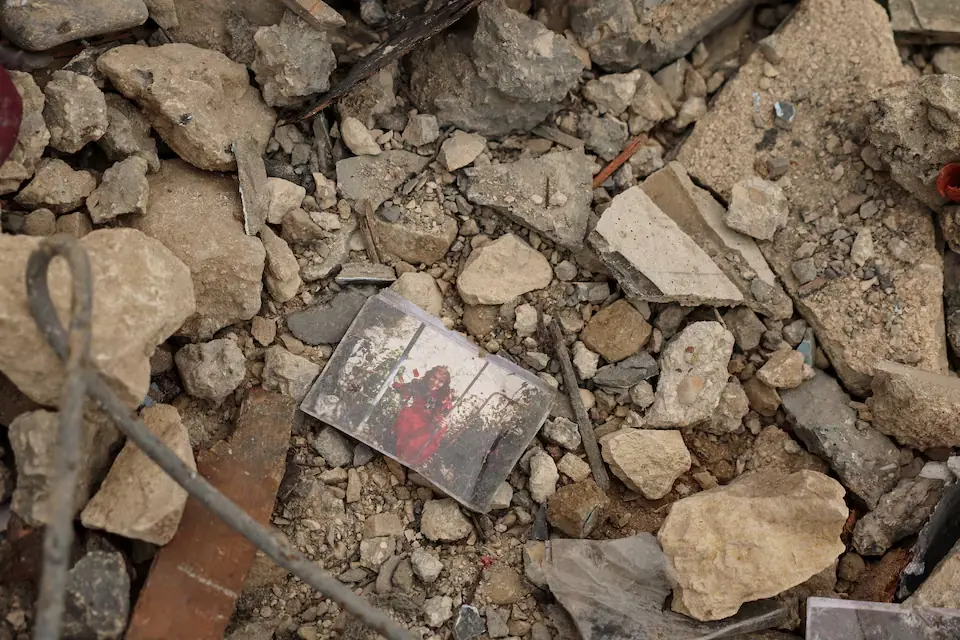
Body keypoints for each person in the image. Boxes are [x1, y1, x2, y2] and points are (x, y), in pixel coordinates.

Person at [391, 366, 455, 465]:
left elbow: (444, 414)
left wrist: (441, 422)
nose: (435, 382)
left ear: (444, 384)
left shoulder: (444, 396)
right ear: (429, 375)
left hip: (430, 422)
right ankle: (398, 454)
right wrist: (394, 383)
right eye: (434, 377)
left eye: (440, 381)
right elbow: (402, 388)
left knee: (424, 437)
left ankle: (407, 460)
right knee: (406, 422)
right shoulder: (418, 384)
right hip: (413, 414)